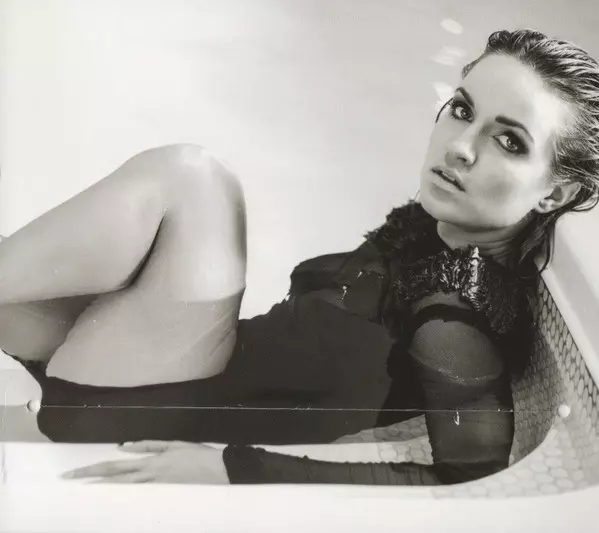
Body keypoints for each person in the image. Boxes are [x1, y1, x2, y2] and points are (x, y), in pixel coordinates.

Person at [2, 28, 599, 485]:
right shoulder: (441, 233)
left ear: (556, 193)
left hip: (141, 411)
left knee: (193, 179)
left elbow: (469, 476)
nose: (462, 148)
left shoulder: (454, 315)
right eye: (463, 110)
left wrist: (233, 467)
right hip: (152, 373)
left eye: (509, 141)